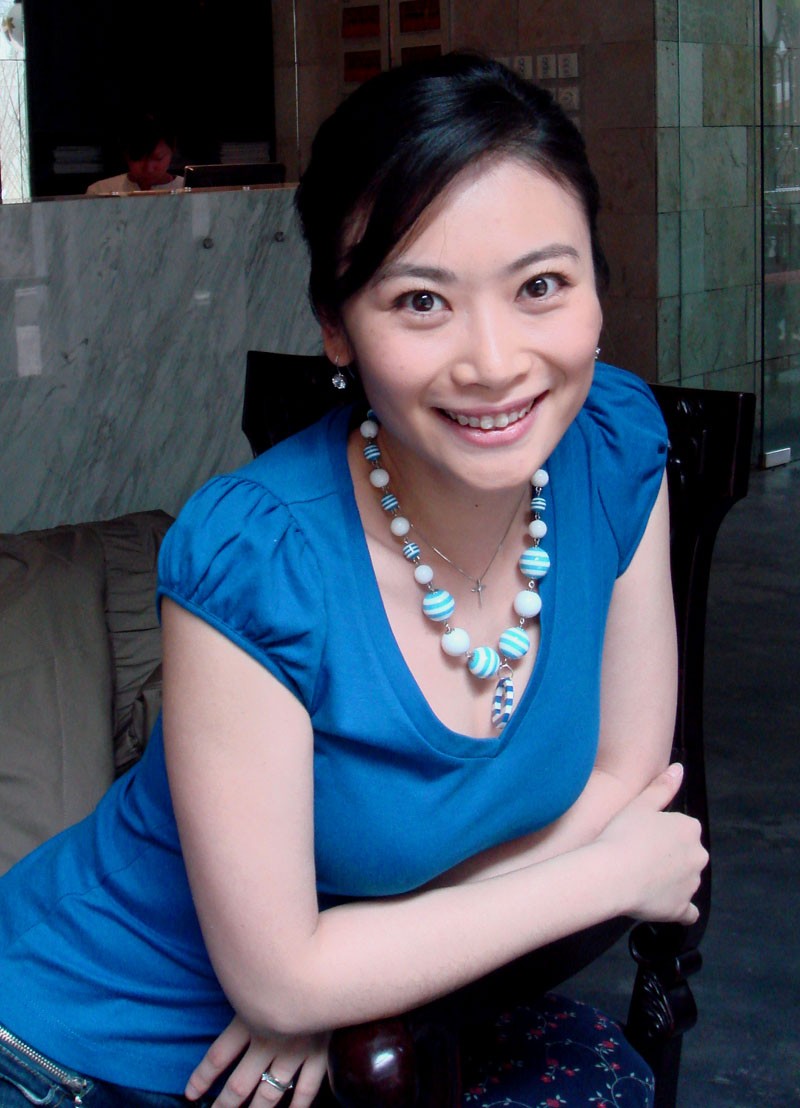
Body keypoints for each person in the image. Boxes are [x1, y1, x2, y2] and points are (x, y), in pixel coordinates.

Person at [0, 54, 707, 1108]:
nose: (493, 361)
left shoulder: (613, 442)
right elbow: (282, 980)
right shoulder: (257, 556)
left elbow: (624, 777)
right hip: (62, 1046)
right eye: (420, 300)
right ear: (336, 327)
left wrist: (358, 972)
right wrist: (605, 877)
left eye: (540, 286)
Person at [86, 112, 184, 195]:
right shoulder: (101, 191)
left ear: (172, 150)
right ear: (126, 155)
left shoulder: (188, 190)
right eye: (138, 159)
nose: (148, 168)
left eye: (158, 158)